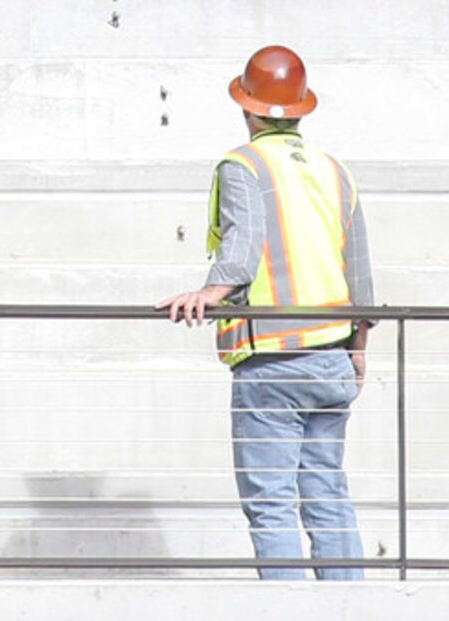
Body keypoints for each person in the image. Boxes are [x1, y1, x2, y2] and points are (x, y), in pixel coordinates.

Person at [161, 45, 375, 580]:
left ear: (246, 106)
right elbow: (362, 273)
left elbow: (243, 243)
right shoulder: (335, 171)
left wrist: (211, 292)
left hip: (273, 362)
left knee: (271, 501)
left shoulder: (244, 165)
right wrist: (358, 352)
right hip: (332, 359)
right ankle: (350, 613)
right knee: (327, 493)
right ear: (302, 108)